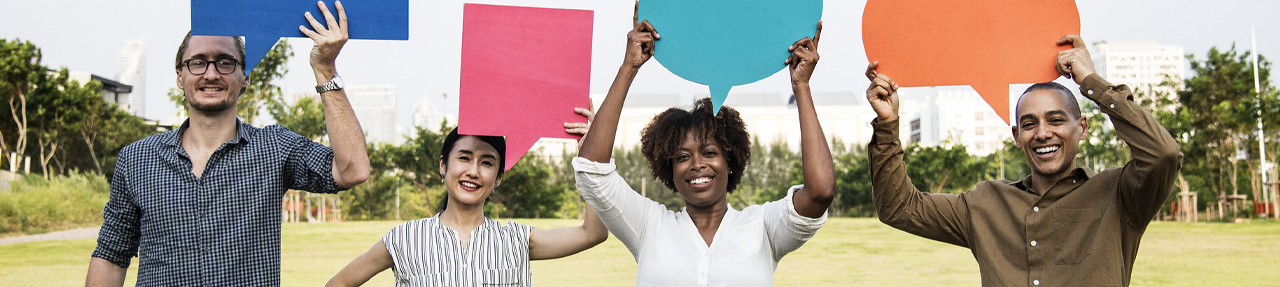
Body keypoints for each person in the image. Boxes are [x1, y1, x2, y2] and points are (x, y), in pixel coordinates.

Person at [85, 2, 370, 286]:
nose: (211, 74)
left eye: (225, 62)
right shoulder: (137, 159)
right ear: (179, 77)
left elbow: (352, 169)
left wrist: (325, 68)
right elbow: (111, 257)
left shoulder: (275, 148)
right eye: (197, 62)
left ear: (244, 77)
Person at [864, 35, 1183, 287]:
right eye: (1030, 124)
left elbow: (1162, 154)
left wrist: (1091, 81)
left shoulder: (1120, 196)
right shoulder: (985, 204)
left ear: (1081, 128)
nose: (1042, 133)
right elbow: (899, 208)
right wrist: (888, 124)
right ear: (1017, 136)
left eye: (1056, 120)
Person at [571, 4, 834, 286]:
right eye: (682, 156)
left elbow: (819, 193)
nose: (697, 164)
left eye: (710, 153)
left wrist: (801, 87)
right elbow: (592, 173)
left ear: (730, 161)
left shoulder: (763, 227)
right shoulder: (647, 226)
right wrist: (629, 67)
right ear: (668, 169)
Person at [325, 120, 607, 287]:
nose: (473, 171)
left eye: (487, 163)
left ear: (497, 178)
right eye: (464, 157)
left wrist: (591, 156)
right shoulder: (403, 239)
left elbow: (592, 233)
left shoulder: (517, 240)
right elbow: (339, 283)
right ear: (443, 165)